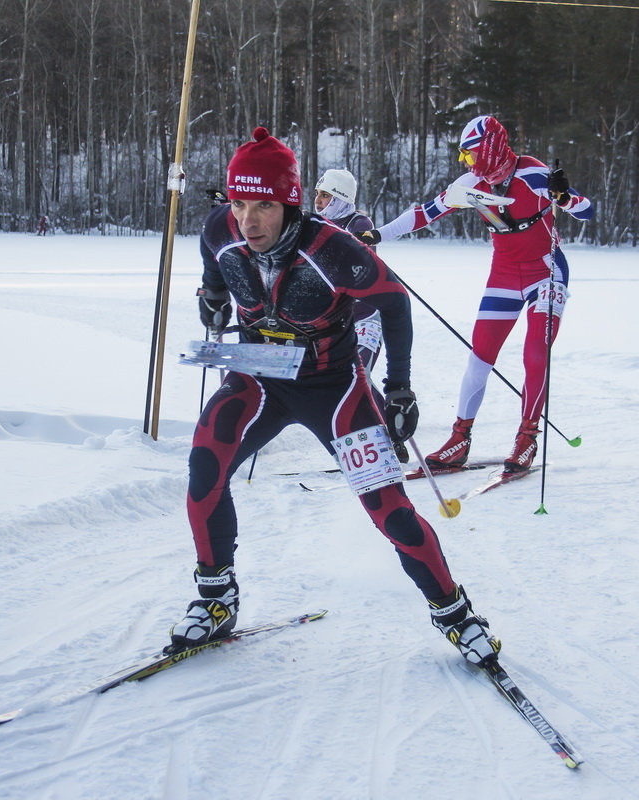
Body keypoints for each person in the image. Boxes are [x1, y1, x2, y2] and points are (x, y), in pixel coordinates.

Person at [171, 127, 500, 668]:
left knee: (388, 510)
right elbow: (214, 270)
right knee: (205, 471)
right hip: (258, 373)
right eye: (238, 202)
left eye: (263, 205)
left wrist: (398, 388)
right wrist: (211, 301)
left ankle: (456, 614)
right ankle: (215, 600)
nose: (248, 219)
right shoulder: (220, 229)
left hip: (333, 385)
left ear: (290, 202)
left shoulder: (333, 249)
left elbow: (394, 305)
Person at [357, 115, 594, 475]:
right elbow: (424, 214)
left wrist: (562, 194)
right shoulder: (470, 183)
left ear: (488, 149)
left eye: (469, 155)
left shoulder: (532, 173)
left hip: (546, 271)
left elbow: (586, 210)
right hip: (505, 274)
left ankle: (527, 438)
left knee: (535, 354)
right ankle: (460, 438)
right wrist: (378, 235)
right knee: (479, 356)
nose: (466, 164)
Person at [312, 168, 407, 463]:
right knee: (345, 379)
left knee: (358, 376)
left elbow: (355, 263)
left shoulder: (358, 222)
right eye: (317, 194)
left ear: (340, 198)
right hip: (336, 320)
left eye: (325, 195)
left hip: (366, 317)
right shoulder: (316, 223)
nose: (317, 200)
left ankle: (392, 440)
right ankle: (376, 438)